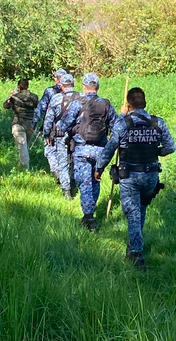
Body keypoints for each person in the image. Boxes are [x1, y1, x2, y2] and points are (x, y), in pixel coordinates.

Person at [95, 87, 175, 271]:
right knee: (140, 211)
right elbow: (170, 147)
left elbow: (109, 149)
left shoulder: (123, 123)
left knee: (132, 214)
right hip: (151, 175)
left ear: (129, 105)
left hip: (129, 175)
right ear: (145, 103)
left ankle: (137, 255)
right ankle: (132, 248)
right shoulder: (157, 123)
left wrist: (99, 168)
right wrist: (156, 152)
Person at [60, 73, 117, 231]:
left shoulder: (78, 103)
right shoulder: (106, 105)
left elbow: (64, 125)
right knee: (95, 180)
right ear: (97, 87)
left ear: (84, 87)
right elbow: (117, 127)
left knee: (84, 183)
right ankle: (91, 209)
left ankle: (88, 217)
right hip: (101, 151)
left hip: (82, 150)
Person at [43, 73, 82, 198]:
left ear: (61, 85)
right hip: (79, 134)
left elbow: (49, 119)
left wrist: (46, 134)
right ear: (73, 83)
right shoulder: (82, 97)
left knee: (63, 163)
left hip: (61, 135)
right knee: (76, 161)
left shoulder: (56, 99)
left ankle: (67, 191)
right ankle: (76, 183)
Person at [35, 69, 67, 180]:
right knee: (65, 152)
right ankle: (66, 176)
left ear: (56, 78)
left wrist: (34, 122)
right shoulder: (71, 93)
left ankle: (56, 173)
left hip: (52, 127)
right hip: (67, 127)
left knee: (50, 151)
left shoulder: (50, 91)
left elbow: (41, 108)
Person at [2, 78, 39, 170]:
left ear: (18, 86)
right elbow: (38, 107)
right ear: (28, 86)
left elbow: (5, 106)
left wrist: (10, 96)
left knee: (22, 148)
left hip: (18, 124)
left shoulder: (14, 97)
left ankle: (25, 170)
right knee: (24, 147)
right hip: (30, 125)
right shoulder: (34, 97)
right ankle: (21, 166)